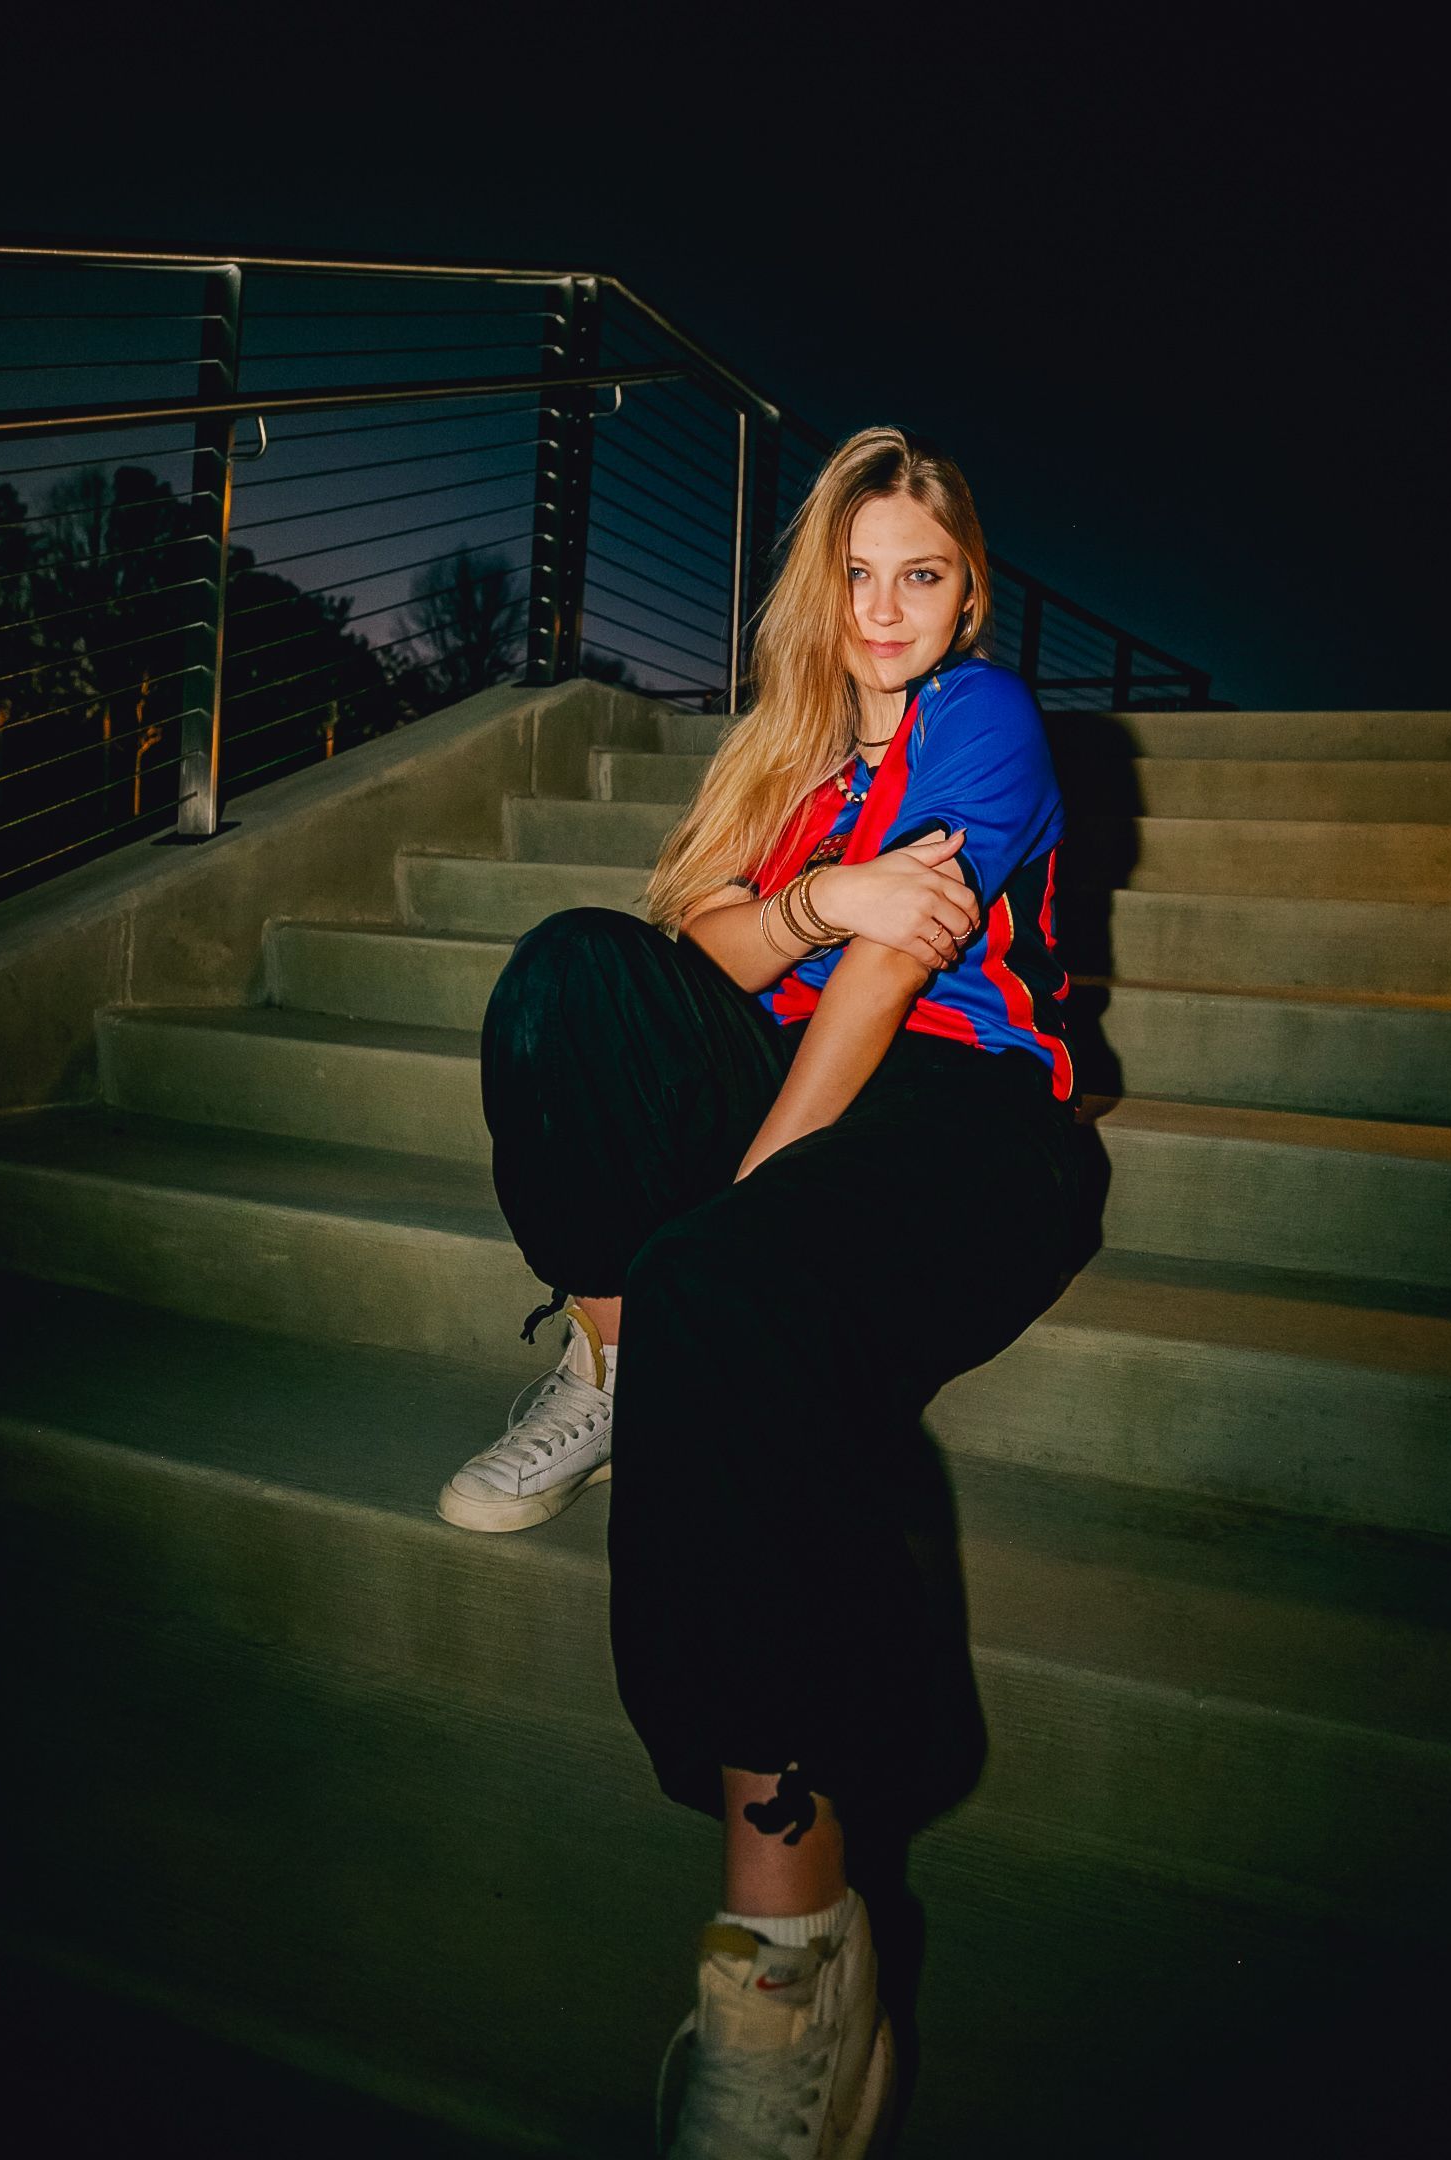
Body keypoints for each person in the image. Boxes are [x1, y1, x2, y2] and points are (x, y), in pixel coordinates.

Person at [438, 425, 1088, 2158]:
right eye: (859, 574)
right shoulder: (785, 755)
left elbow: (890, 979)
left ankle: (794, 1947)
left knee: (727, 1275)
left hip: (956, 1118)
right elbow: (700, 959)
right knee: (572, 975)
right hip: (783, 1053)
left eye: (922, 575)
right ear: (826, 585)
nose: (887, 609)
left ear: (968, 591)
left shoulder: (989, 721)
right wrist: (813, 887)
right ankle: (610, 1361)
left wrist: (737, 1203)